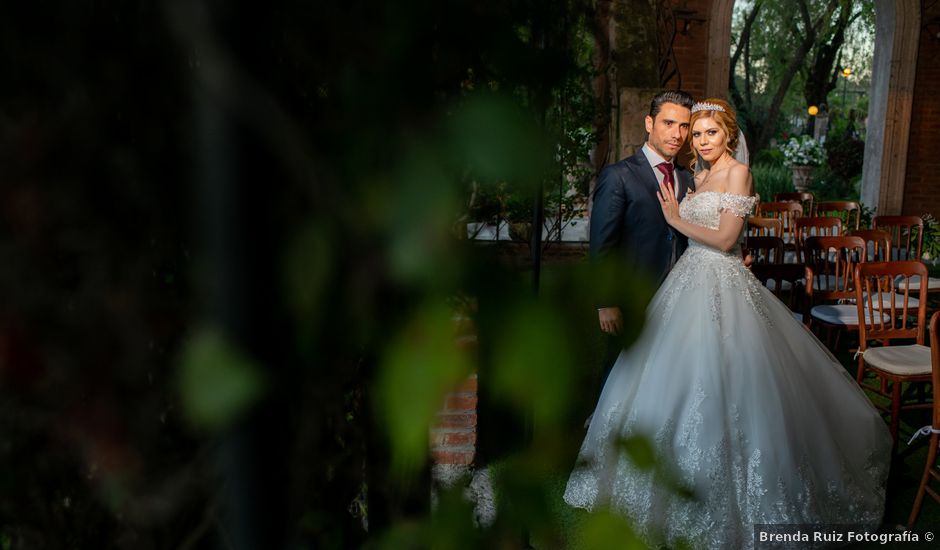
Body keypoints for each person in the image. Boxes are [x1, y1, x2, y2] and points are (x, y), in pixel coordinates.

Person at [564, 98, 891, 549]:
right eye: (694, 133)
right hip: (683, 285)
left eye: (707, 132)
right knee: (662, 377)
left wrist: (686, 222)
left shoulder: (736, 173)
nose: (698, 140)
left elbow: (725, 235)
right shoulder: (691, 175)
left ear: (728, 133)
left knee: (733, 380)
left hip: (721, 285)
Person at [589, 90, 695, 387]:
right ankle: (602, 425)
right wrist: (605, 302)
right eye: (669, 123)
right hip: (633, 294)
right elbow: (602, 245)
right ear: (649, 123)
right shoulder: (618, 176)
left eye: (684, 126)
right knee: (620, 370)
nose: (677, 134)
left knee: (665, 376)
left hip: (679, 296)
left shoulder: (687, 179)